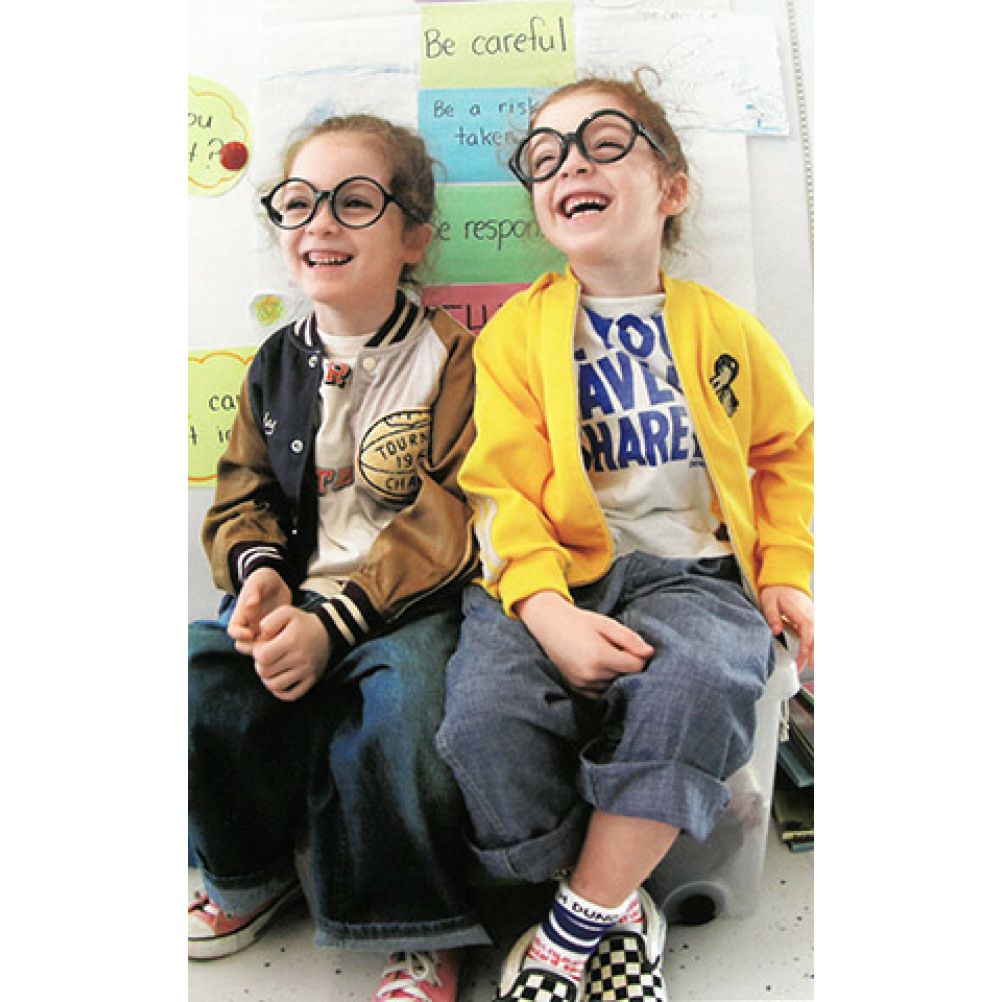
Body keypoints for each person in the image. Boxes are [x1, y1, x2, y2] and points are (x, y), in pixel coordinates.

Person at [435, 73, 814, 1002]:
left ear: (671, 187)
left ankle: (570, 932)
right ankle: (613, 901)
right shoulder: (515, 335)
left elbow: (787, 452)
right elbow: (498, 489)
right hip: (549, 576)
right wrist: (544, 610)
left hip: (694, 575)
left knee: (706, 681)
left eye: (604, 143)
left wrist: (786, 571)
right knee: (483, 719)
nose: (570, 165)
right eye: (546, 156)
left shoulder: (726, 330)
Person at [187, 113, 489, 1002]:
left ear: (413, 238)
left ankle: (417, 923)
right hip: (297, 596)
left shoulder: (454, 359)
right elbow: (242, 492)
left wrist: (336, 623)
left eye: (354, 202)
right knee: (197, 678)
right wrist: (261, 578)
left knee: (403, 710)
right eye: (299, 202)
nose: (320, 222)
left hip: (409, 605)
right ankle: (246, 872)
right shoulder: (274, 364)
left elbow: (454, 515)